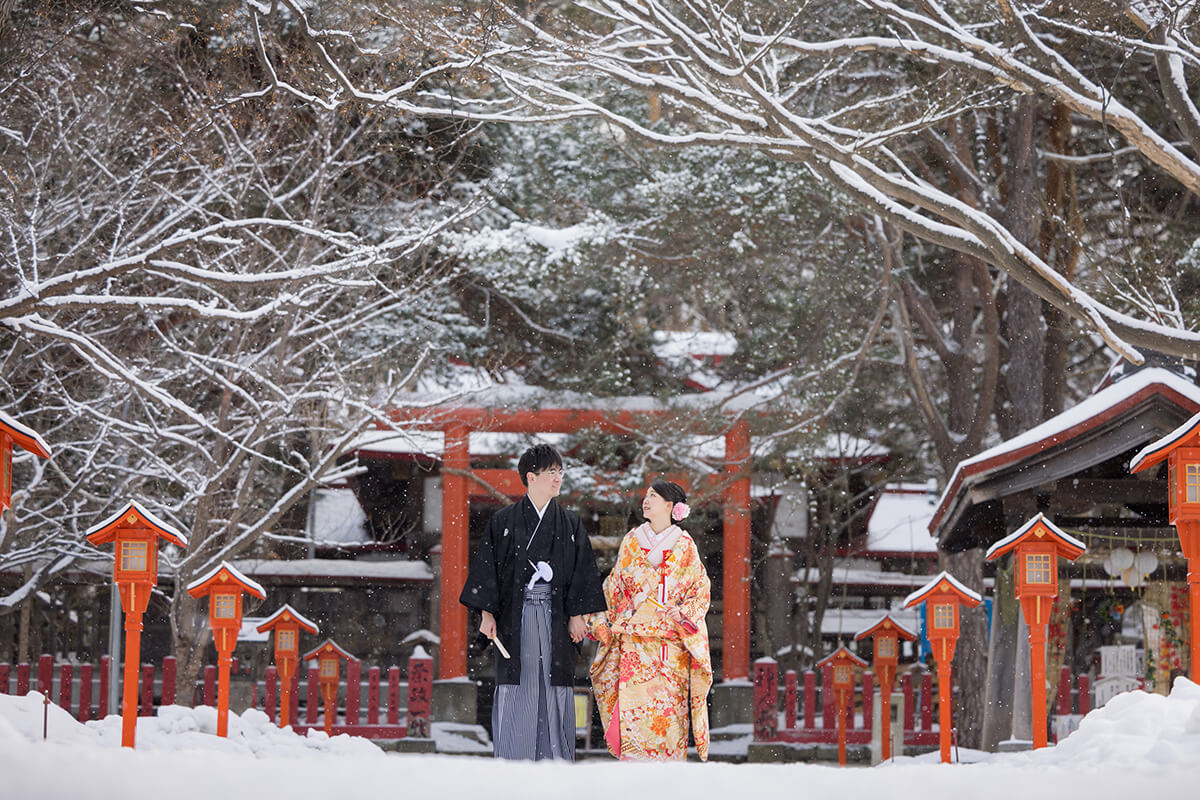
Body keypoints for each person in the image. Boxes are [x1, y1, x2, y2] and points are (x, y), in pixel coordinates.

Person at [459, 443, 607, 760]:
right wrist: (486, 612)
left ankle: (556, 758)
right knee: (519, 679)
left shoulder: (570, 524)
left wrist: (577, 615)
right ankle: (515, 757)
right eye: (551, 472)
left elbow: (582, 571)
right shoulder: (503, 522)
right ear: (531, 477)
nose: (558, 478)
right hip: (517, 615)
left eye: (560, 471)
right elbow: (488, 570)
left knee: (555, 682)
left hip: (556, 616)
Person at [588, 479, 712, 761]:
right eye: (646, 495)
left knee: (669, 722)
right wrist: (600, 620)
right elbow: (615, 586)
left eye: (653, 496)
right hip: (634, 645)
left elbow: (700, 591)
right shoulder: (632, 541)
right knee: (635, 720)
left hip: (670, 648)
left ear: (671, 505)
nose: (646, 500)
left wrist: (683, 613)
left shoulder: (685, 546)